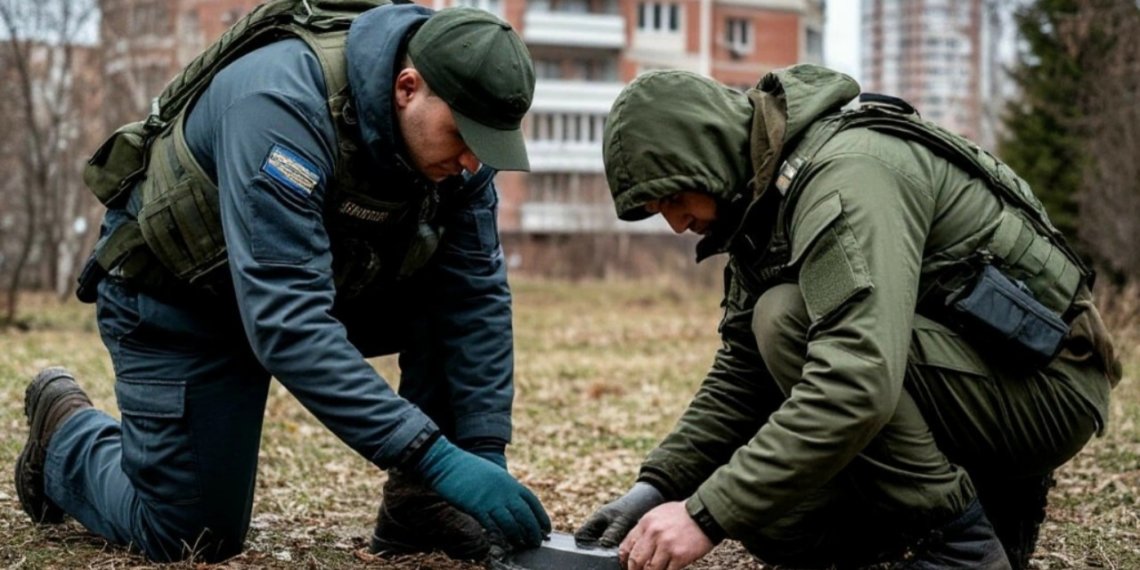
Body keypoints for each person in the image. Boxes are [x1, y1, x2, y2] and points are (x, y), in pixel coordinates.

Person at [14, 1, 551, 563]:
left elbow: (476, 295)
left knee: (447, 294)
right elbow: (287, 320)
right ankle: (65, 439)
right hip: (181, 298)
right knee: (189, 536)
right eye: (463, 137)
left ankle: (420, 512)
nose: (472, 161)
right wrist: (435, 456)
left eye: (485, 146)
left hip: (311, 284)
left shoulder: (462, 142)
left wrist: (483, 449)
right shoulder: (281, 105)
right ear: (407, 87)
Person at [574, 65, 1120, 570]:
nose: (675, 224)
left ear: (708, 151)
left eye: (674, 198)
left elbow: (857, 381)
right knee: (772, 518)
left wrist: (704, 515)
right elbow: (742, 375)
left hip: (1046, 388)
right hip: (968, 380)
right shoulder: (760, 205)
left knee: (785, 318)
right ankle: (992, 507)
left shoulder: (845, 175)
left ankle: (960, 543)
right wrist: (657, 486)